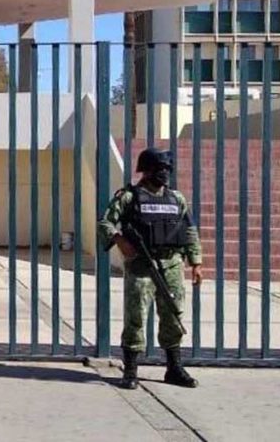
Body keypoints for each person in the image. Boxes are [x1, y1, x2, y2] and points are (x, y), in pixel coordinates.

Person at [98, 148, 202, 390]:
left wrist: (196, 262)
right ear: (146, 170)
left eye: (167, 169)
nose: (164, 173)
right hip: (141, 266)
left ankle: (174, 369)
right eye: (159, 169)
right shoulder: (128, 197)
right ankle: (131, 371)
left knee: (173, 316)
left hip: (172, 264)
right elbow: (106, 222)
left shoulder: (176, 199)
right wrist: (120, 241)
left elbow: (189, 229)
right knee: (135, 318)